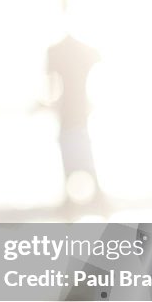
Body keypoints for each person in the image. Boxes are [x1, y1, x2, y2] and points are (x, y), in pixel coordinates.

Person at [46, 27, 102, 206]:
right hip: (80, 107)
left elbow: (51, 87)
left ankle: (72, 197)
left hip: (68, 109)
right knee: (83, 146)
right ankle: (96, 195)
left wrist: (47, 104)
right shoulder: (84, 50)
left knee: (71, 146)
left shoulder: (55, 51)